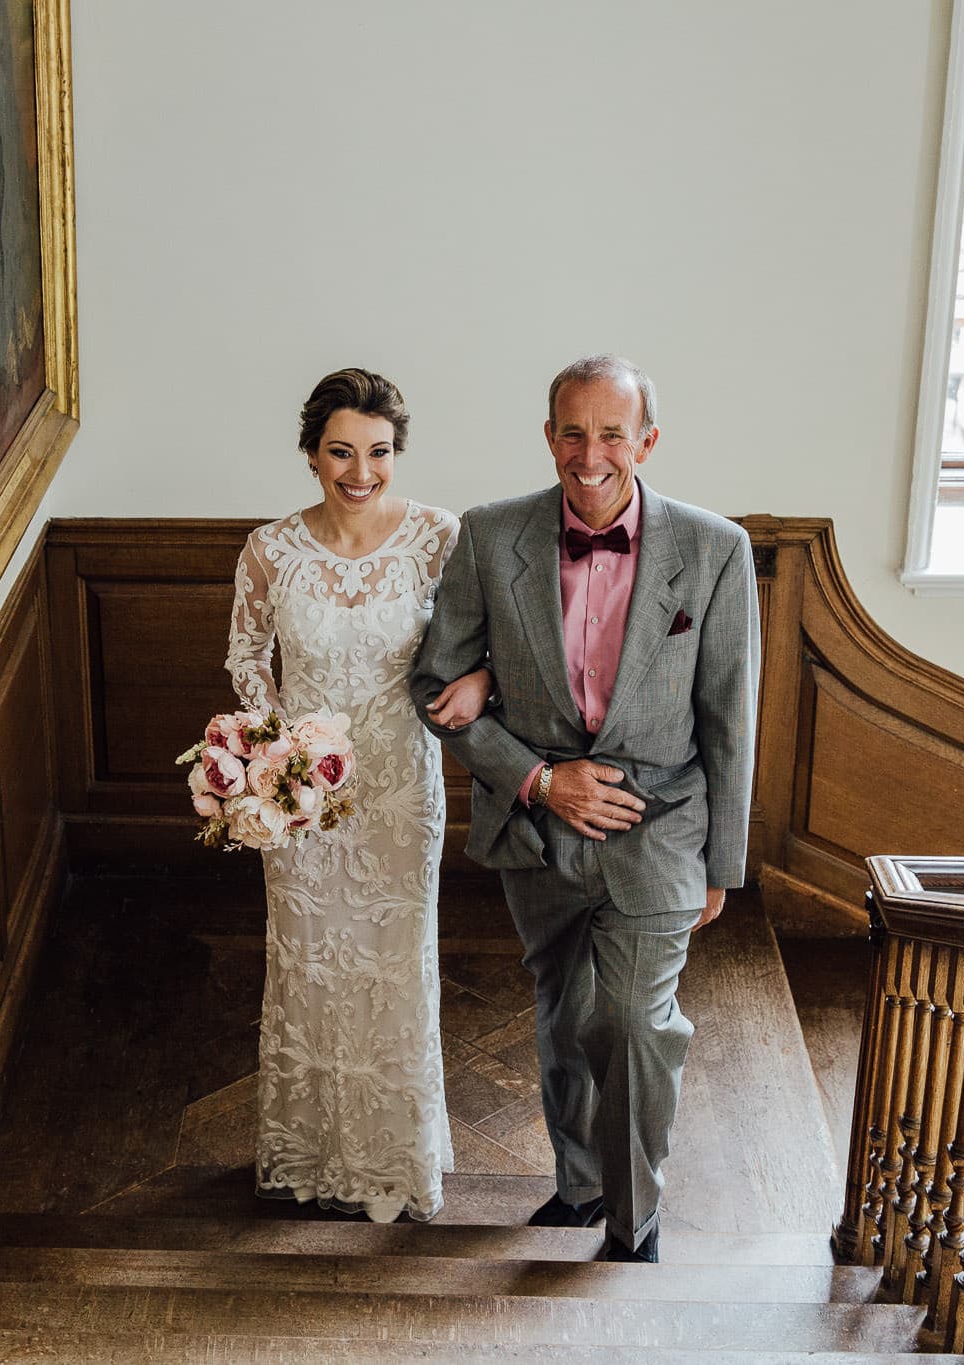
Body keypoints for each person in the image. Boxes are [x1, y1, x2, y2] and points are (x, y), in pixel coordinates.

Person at [410, 353, 761, 1262]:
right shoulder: (490, 537)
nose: (591, 453)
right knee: (565, 1013)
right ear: (548, 436)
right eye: (573, 431)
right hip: (536, 827)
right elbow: (436, 683)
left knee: (638, 1020)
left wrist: (723, 864)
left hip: (664, 827)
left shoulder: (716, 549)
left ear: (647, 439)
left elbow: (730, 717)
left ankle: (634, 1217)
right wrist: (535, 777)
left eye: (612, 433)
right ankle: (579, 1184)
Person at [226, 367, 494, 1221]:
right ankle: (310, 1152)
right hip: (303, 797)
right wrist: (271, 754)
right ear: (311, 454)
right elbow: (247, 660)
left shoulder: (437, 539)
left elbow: (486, 644)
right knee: (307, 962)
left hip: (398, 788)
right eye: (341, 451)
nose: (361, 471)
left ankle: (395, 1159)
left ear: (395, 453)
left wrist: (481, 682)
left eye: (378, 452)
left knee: (391, 964)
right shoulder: (270, 549)